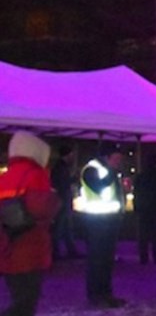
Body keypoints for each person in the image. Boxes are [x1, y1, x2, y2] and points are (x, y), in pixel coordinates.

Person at [0, 131, 60, 316]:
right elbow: (41, 208)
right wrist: (55, 199)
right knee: (26, 303)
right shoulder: (35, 175)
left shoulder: (5, 177)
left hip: (7, 247)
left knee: (19, 297)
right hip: (30, 249)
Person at [77, 143, 126, 308]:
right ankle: (96, 295)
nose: (118, 161)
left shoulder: (106, 170)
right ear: (107, 157)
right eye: (116, 158)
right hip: (96, 222)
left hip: (109, 220)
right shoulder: (92, 170)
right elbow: (99, 188)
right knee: (97, 259)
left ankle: (106, 293)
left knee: (106, 260)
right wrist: (112, 172)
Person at [49, 145, 82, 260]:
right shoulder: (62, 168)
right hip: (63, 201)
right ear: (67, 155)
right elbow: (63, 184)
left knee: (64, 227)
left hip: (61, 200)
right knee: (62, 227)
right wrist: (73, 180)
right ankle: (58, 252)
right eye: (71, 155)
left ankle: (63, 251)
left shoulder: (59, 167)